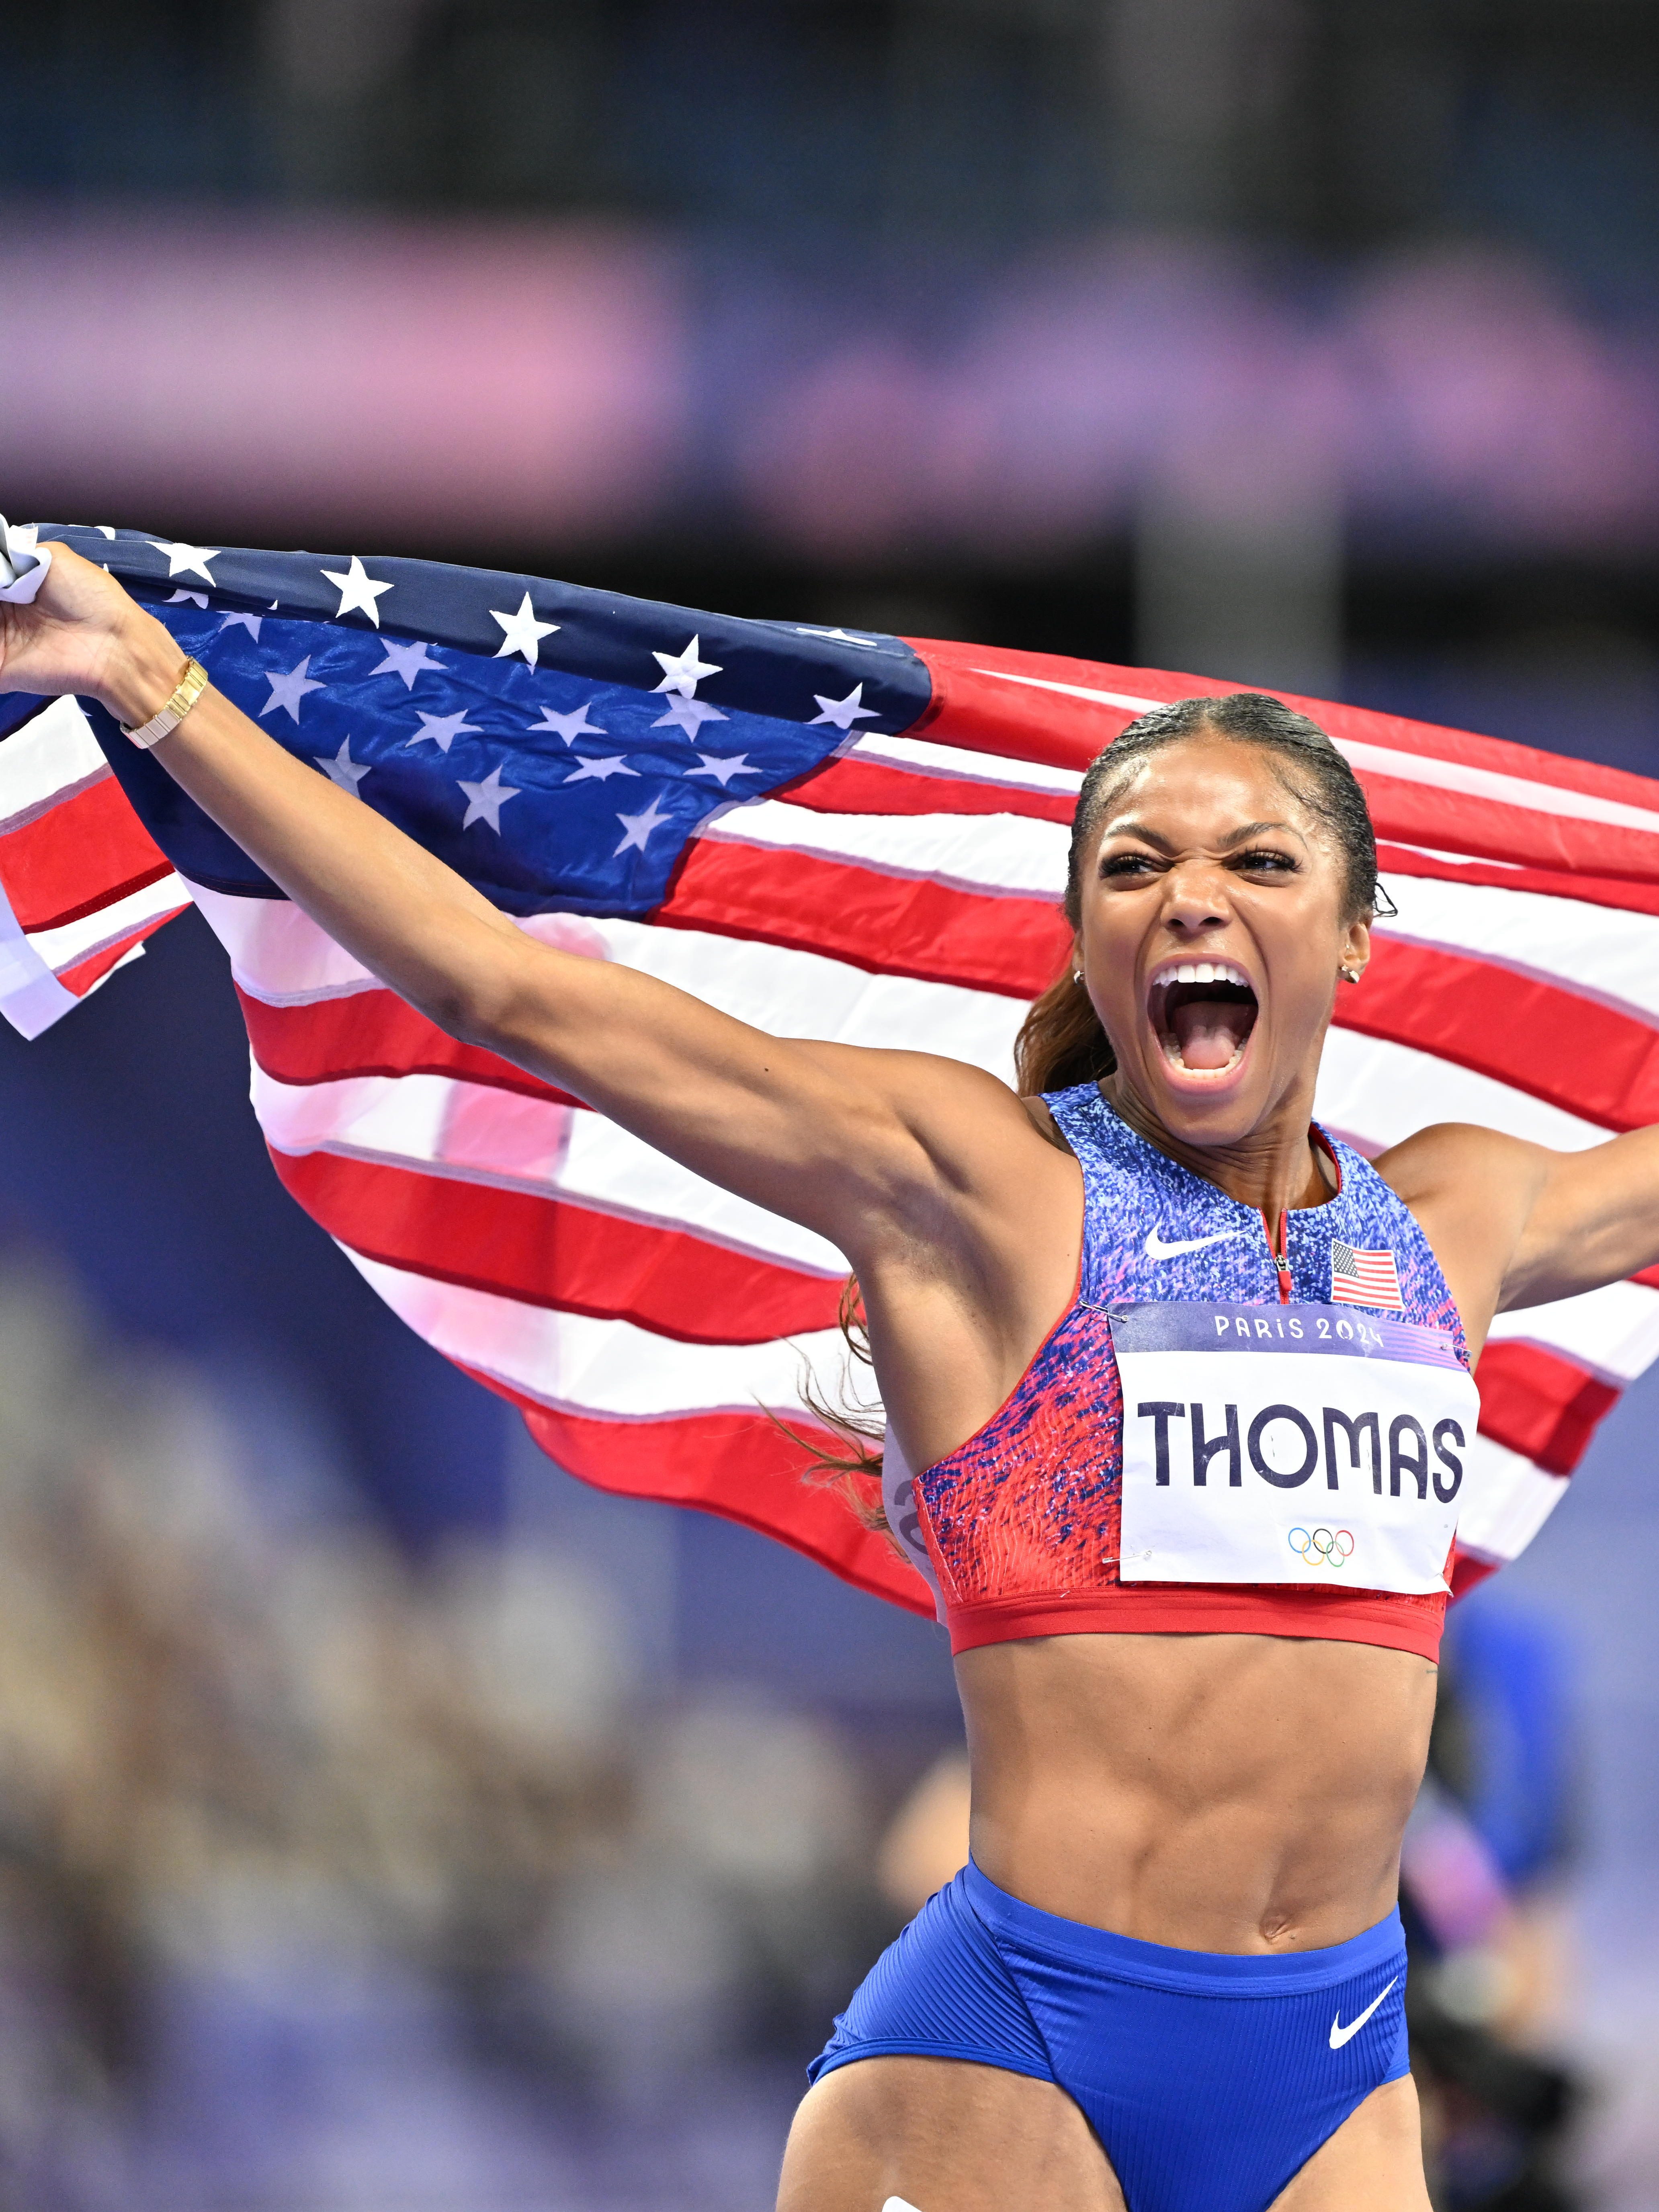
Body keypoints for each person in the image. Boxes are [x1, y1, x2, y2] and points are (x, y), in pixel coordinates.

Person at [6, 545, 1654, 2212]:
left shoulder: (1464, 1211)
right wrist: (156, 685)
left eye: (1260, 858)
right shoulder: (978, 1183)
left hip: (1335, 2057)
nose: (1194, 895)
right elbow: (501, 988)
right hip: (1023, 2048)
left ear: (1355, 937)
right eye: (1138, 862)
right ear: (1086, 937)